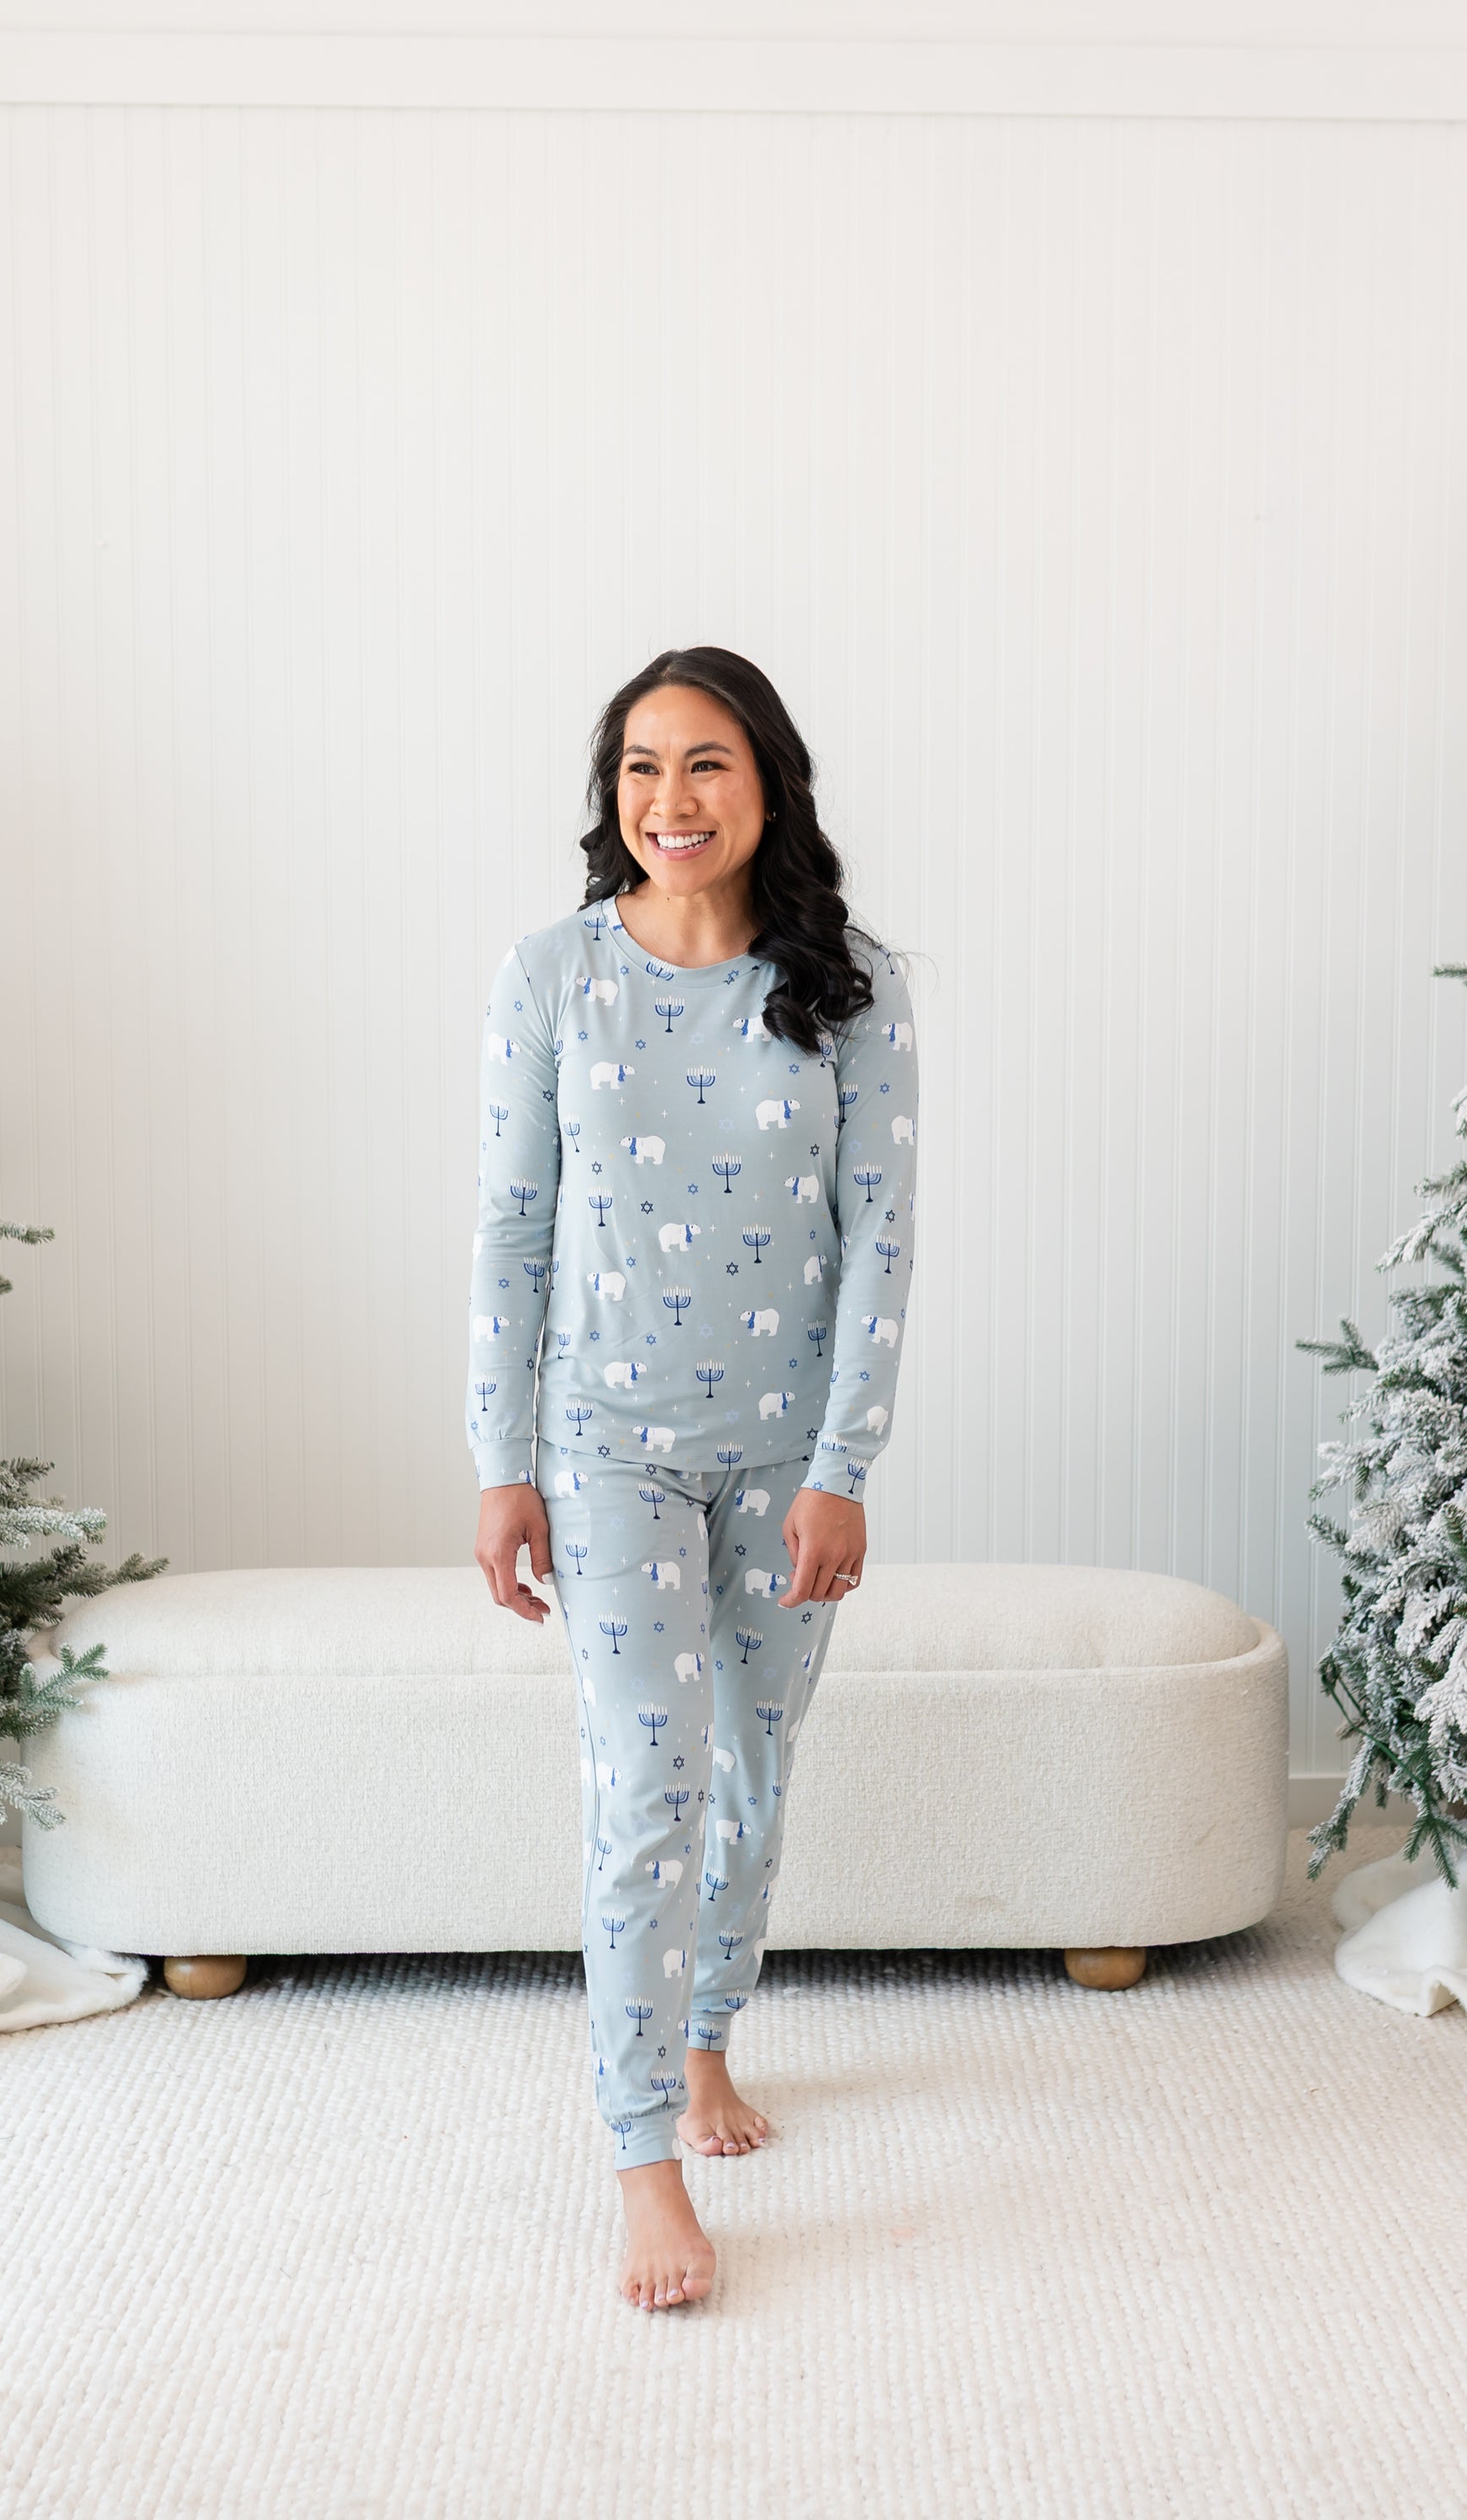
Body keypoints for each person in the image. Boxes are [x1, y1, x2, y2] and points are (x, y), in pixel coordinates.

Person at [465, 646, 919, 2311]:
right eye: (642, 767)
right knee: (646, 1783)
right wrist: (500, 1461)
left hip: (786, 1455)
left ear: (770, 785)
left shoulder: (853, 987)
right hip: (606, 1448)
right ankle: (642, 2154)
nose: (671, 799)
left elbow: (881, 1238)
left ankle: (710, 2034)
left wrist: (843, 1465)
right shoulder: (553, 977)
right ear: (614, 796)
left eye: (707, 763)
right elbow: (513, 1229)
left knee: (750, 1774)